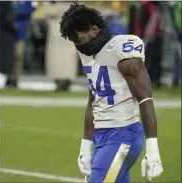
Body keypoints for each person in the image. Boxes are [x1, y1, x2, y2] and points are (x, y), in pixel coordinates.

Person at [60, 3, 163, 183]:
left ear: (94, 30)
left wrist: (153, 149)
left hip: (124, 136)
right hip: (101, 137)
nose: (78, 45)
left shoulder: (122, 50)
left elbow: (145, 98)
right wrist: (85, 146)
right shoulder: (87, 52)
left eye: (79, 39)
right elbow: (94, 99)